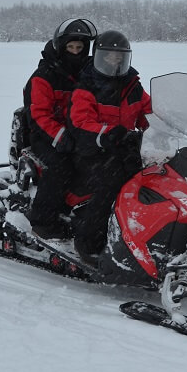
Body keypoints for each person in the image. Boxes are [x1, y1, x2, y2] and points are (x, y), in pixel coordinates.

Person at [67, 30, 152, 264]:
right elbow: (81, 123)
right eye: (110, 56)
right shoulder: (87, 87)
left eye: (119, 57)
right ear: (99, 57)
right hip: (91, 151)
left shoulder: (132, 86)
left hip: (124, 149)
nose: (115, 61)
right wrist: (109, 133)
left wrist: (172, 124)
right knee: (112, 185)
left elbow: (149, 113)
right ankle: (89, 244)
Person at [22, 18, 97, 239]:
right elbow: (39, 115)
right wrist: (61, 136)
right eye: (70, 47)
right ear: (60, 47)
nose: (75, 52)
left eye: (80, 48)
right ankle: (43, 221)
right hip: (46, 136)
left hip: (81, 132)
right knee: (61, 166)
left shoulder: (89, 72)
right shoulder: (44, 76)